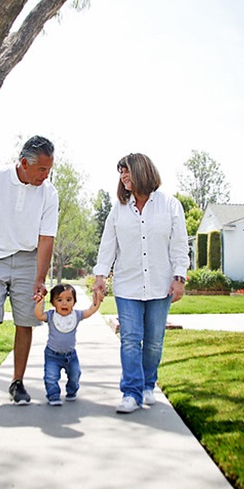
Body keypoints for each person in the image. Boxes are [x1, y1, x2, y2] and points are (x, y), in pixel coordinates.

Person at [0, 136, 59, 407]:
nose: (45, 175)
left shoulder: (49, 193)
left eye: (49, 170)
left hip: (28, 259)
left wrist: (40, 278)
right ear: (24, 163)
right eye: (41, 169)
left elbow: (46, 237)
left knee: (25, 322)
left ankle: (17, 383)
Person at [93, 153, 189, 414]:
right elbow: (107, 246)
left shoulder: (170, 206)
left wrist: (179, 277)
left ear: (142, 171)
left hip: (160, 285)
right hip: (128, 285)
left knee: (154, 341)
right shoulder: (118, 209)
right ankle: (131, 392)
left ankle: (148, 385)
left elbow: (180, 245)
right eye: (120, 172)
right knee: (130, 339)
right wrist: (100, 276)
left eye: (127, 171)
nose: (123, 176)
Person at [35, 283, 102, 406]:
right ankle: (53, 395)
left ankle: (72, 391)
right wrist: (39, 303)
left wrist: (97, 300)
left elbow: (90, 311)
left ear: (74, 302)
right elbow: (39, 315)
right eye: (59, 300)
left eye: (68, 300)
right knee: (51, 377)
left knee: (75, 374)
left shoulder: (76, 315)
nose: (64, 303)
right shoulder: (51, 316)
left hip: (71, 356)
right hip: (52, 355)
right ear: (53, 303)